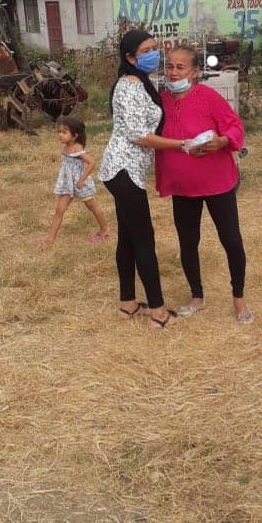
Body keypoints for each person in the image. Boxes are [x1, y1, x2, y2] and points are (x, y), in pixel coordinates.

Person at [136, 44, 253, 324]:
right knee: (188, 242)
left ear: (195, 72)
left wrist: (222, 141)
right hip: (183, 187)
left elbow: (234, 126)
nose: (173, 73)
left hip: (217, 183)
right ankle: (197, 296)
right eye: (169, 67)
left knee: (231, 239)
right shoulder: (161, 102)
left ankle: (239, 298)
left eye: (181, 67)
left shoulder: (209, 98)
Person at [98, 29, 184, 328]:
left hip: (123, 170)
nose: (153, 54)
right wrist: (181, 145)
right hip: (124, 171)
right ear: (130, 57)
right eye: (146, 50)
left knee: (128, 238)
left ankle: (128, 305)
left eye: (154, 48)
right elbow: (139, 136)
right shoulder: (130, 86)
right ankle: (158, 312)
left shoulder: (140, 81)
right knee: (144, 241)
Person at [42, 115, 109, 245]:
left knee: (92, 207)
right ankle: (51, 237)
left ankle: (105, 230)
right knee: (59, 209)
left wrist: (82, 179)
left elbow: (92, 163)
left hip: (80, 184)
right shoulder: (64, 147)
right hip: (68, 184)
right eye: (59, 131)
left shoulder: (77, 149)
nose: (60, 135)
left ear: (75, 136)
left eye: (64, 132)